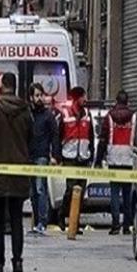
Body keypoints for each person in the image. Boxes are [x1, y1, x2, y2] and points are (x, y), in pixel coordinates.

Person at [0, 73, 32, 272]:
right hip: (19, 172)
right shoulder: (25, 111)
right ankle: (18, 261)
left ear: (2, 86)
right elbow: (31, 136)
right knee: (17, 219)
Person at [54, 86, 94, 233]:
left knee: (81, 191)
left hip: (83, 157)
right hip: (69, 156)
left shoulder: (87, 113)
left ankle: (74, 222)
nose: (86, 99)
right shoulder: (65, 113)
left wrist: (91, 154)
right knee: (70, 189)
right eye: (84, 97)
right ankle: (62, 215)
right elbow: (58, 136)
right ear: (77, 98)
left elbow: (91, 136)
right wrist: (57, 155)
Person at [97, 90, 135, 235]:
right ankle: (127, 225)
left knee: (114, 194)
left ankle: (115, 225)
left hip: (114, 159)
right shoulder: (133, 117)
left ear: (116, 101)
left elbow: (102, 139)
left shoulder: (109, 117)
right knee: (127, 195)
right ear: (127, 102)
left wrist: (98, 160)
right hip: (128, 159)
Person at [28, 83, 56, 236]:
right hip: (29, 156)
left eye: (41, 95)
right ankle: (36, 221)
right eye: (37, 95)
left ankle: (42, 222)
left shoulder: (48, 115)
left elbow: (54, 135)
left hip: (42, 156)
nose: (40, 98)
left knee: (40, 189)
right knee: (33, 191)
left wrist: (54, 155)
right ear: (31, 97)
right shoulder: (28, 115)